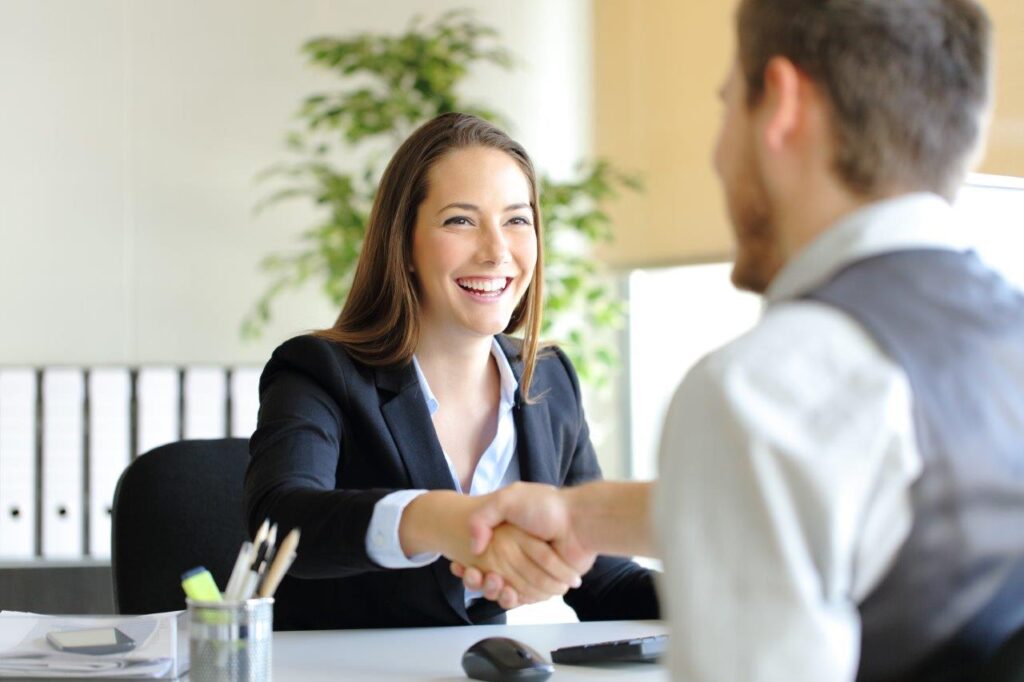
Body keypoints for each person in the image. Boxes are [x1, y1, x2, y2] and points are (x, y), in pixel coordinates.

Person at [456, 0, 1024, 679]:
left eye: (728, 107)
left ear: (781, 106)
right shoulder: (999, 341)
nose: (718, 154)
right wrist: (584, 515)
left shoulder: (762, 391)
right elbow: (857, 507)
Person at [243, 112, 659, 630]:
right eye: (460, 220)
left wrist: (732, 590)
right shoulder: (320, 372)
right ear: (405, 245)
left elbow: (607, 582)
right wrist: (443, 521)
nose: (497, 251)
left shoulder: (547, 380)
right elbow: (281, 524)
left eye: (517, 220)